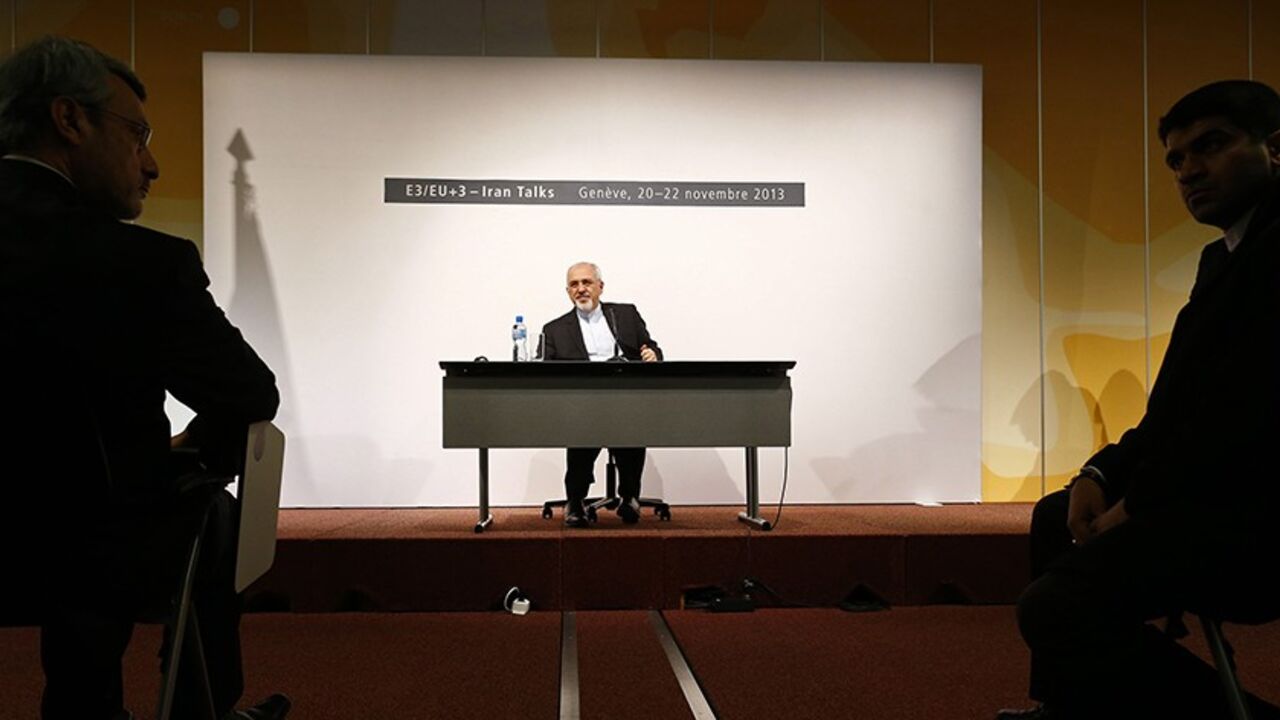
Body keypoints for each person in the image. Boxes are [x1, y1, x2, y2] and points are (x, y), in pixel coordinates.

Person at [0, 37, 289, 719]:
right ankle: (196, 710)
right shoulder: (136, 264)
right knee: (208, 513)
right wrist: (186, 457)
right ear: (69, 120)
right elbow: (249, 394)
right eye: (137, 135)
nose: (152, 164)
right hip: (87, 548)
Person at [998, 80, 1280, 719]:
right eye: (1177, 160)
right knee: (1054, 518)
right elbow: (1176, 411)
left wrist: (1141, 503)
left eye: (1210, 146)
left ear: (1276, 149)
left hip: (1256, 519)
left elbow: (1243, 419)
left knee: (1054, 607)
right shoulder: (1225, 257)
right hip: (1213, 498)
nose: (1189, 171)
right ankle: (1070, 705)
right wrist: (1099, 473)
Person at [540, 261, 663, 527]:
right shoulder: (554, 329)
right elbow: (547, 374)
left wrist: (652, 354)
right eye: (574, 284)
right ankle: (575, 501)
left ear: (600, 287)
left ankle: (630, 497)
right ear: (567, 291)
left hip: (625, 397)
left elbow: (650, 347)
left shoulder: (626, 315)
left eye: (587, 282)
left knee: (631, 428)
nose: (581, 289)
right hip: (582, 403)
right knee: (581, 433)